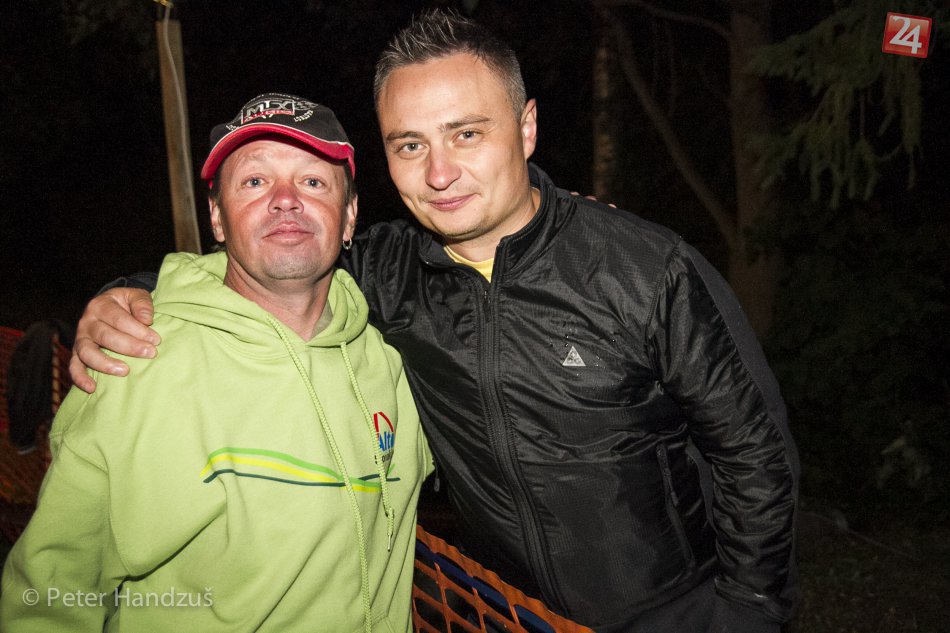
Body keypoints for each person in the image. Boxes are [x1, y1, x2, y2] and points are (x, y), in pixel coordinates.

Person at [70, 11, 799, 633]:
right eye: (410, 144)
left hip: (671, 612)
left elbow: (755, 452)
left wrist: (749, 609)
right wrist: (126, 292)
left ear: (526, 127)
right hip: (497, 611)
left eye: (467, 134)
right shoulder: (386, 272)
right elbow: (268, 262)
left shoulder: (645, 269)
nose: (439, 173)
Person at [2, 93, 431, 633]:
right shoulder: (135, 362)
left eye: (313, 181)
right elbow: (50, 594)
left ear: (349, 217)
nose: (285, 200)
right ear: (217, 219)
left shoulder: (390, 366)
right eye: (254, 181)